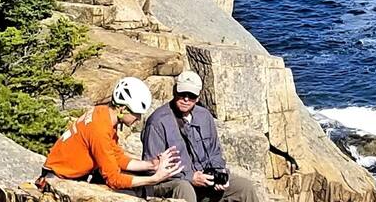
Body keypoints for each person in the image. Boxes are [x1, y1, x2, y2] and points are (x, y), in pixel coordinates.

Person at [41, 77, 183, 196]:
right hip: (59, 180)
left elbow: (116, 157)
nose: (138, 119)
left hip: (63, 174)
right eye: (136, 113)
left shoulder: (102, 113)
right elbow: (113, 179)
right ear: (123, 108)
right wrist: (154, 179)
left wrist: (151, 164)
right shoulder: (100, 129)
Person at [140, 71, 260, 202]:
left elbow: (215, 153)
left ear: (198, 97)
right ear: (174, 91)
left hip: (203, 181)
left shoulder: (205, 116)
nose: (186, 99)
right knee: (185, 188)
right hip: (172, 183)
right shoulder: (157, 122)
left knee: (245, 187)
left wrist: (218, 175)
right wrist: (190, 177)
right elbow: (152, 169)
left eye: (191, 95)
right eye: (182, 94)